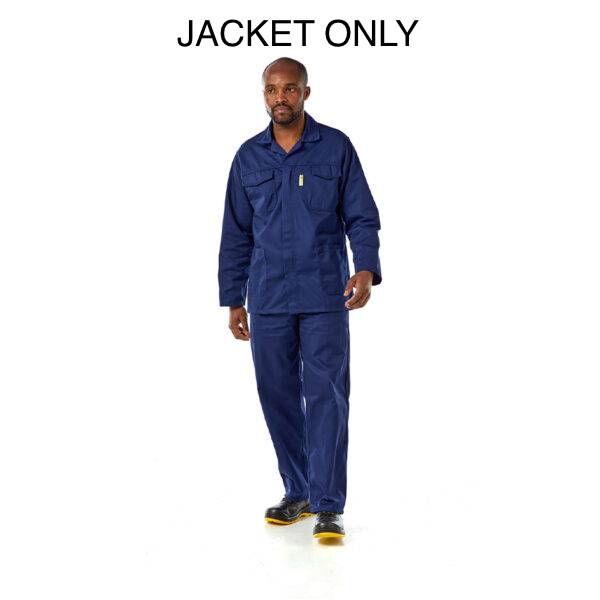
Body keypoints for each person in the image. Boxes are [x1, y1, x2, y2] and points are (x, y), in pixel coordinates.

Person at [217, 57, 382, 540]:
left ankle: (328, 504)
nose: (280, 98)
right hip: (267, 297)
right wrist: (233, 299)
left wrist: (365, 268)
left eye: (290, 89)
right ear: (263, 95)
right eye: (272, 90)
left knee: (327, 395)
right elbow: (235, 233)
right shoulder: (248, 158)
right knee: (277, 395)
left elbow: (361, 216)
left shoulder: (335, 147)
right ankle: (299, 490)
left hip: (324, 295)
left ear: (306, 93)